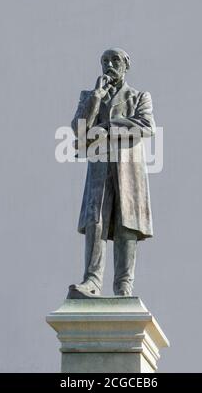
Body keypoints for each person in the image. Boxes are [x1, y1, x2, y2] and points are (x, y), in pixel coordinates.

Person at [69, 48, 155, 297]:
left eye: (115, 60)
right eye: (104, 61)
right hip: (99, 167)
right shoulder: (89, 96)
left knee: (126, 224)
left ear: (126, 64)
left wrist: (108, 127)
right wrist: (96, 98)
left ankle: (123, 286)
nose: (109, 64)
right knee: (96, 221)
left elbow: (147, 126)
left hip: (129, 169)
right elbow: (79, 129)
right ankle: (92, 281)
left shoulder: (138, 97)